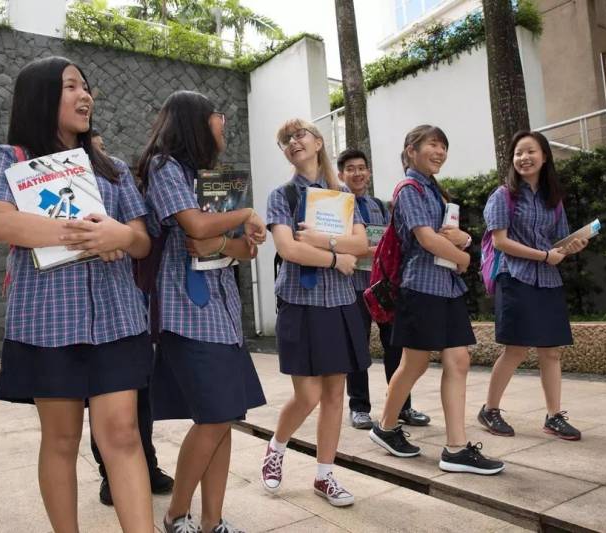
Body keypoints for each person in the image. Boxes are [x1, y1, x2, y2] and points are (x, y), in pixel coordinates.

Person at [0, 56, 154, 532]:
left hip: (117, 320)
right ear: (40, 96)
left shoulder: (114, 168)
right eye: (71, 87)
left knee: (123, 434)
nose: (85, 96)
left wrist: (119, 235)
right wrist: (79, 233)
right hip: (46, 323)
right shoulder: (11, 159)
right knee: (59, 439)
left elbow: (141, 238)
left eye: (86, 87)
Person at [139, 90, 267, 533]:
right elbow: (194, 227)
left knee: (224, 418)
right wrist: (241, 217)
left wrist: (225, 239)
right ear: (195, 121)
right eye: (218, 118)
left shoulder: (209, 178)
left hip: (223, 312)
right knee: (213, 418)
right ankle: (175, 514)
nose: (224, 127)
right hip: (187, 312)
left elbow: (240, 249)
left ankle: (212, 522)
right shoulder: (164, 167)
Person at [368, 124, 505, 475]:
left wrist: (466, 239)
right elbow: (427, 239)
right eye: (432, 144)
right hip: (421, 288)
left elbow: (448, 235)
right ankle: (385, 427)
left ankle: (455, 448)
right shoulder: (410, 188)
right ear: (411, 151)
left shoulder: (435, 191)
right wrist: (465, 258)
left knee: (458, 361)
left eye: (443, 145)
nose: (440, 151)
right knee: (413, 365)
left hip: (446, 288)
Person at [262, 119, 370, 507]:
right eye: (285, 140)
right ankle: (276, 447)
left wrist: (325, 242)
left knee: (335, 394)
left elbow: (361, 243)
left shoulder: (341, 194)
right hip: (300, 302)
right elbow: (289, 249)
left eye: (299, 135)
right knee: (307, 395)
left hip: (339, 302)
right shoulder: (282, 196)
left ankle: (325, 475)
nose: (292, 142)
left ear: (319, 141)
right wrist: (334, 258)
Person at [478, 130, 588, 441]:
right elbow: (501, 242)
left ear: (544, 156)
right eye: (518, 153)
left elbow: (558, 244)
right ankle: (490, 409)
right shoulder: (503, 196)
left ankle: (554, 416)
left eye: (531, 152)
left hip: (548, 280)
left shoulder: (553, 198)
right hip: (516, 277)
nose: (524, 158)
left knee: (551, 352)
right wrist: (544, 256)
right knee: (515, 348)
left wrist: (571, 247)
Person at [86, 126, 174, 503]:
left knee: (140, 395)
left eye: (102, 147)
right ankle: (110, 473)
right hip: (105, 307)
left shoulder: (122, 183)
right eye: (94, 146)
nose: (98, 152)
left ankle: (147, 465)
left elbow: (145, 240)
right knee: (103, 401)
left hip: (138, 303)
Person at [337, 148, 431, 431]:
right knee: (357, 348)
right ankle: (359, 408)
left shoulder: (379, 205)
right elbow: (340, 243)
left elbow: (392, 242)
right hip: (351, 285)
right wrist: (369, 249)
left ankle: (401, 406)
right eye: (351, 168)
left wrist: (377, 251)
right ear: (341, 175)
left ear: (368, 172)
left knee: (395, 345)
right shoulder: (337, 206)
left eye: (362, 168)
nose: (358, 173)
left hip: (383, 286)